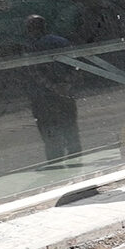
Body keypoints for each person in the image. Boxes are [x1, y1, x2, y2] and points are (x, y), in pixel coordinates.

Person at [22, 15, 80, 163]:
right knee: (70, 129)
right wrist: (65, 85)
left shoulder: (30, 47)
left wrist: (53, 87)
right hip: (64, 93)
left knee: (50, 134)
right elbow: (75, 65)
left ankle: (57, 165)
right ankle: (76, 161)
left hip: (43, 97)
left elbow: (33, 71)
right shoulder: (61, 41)